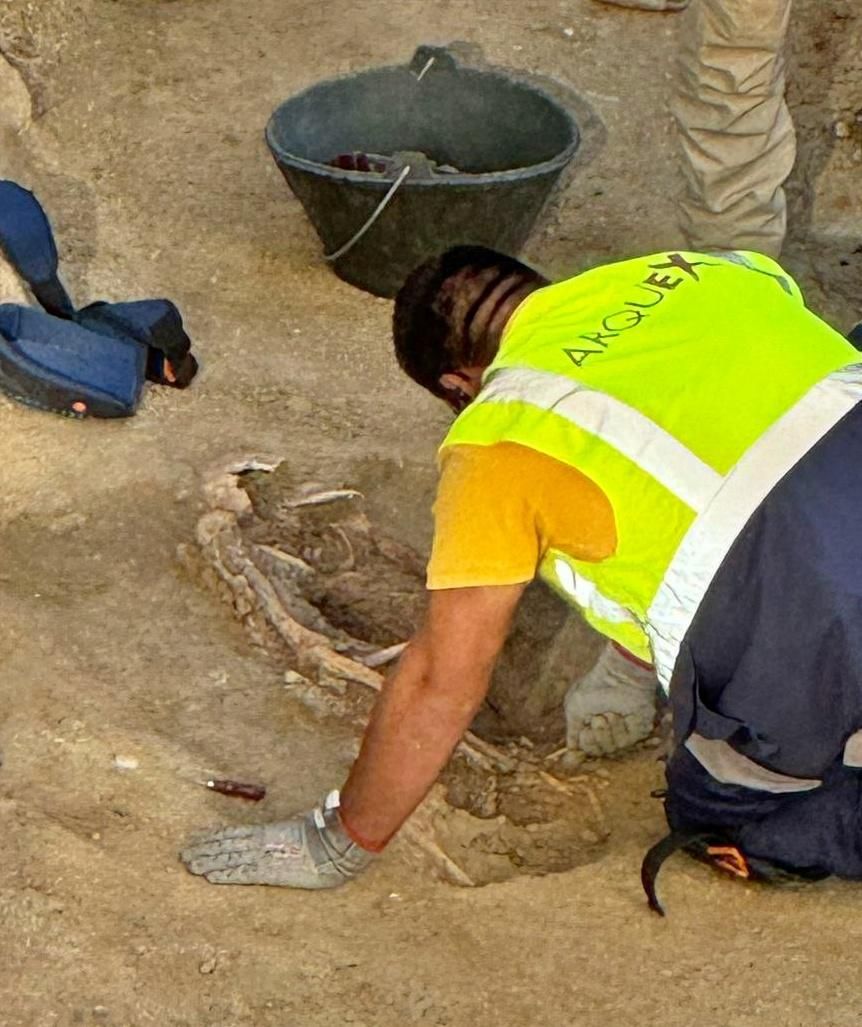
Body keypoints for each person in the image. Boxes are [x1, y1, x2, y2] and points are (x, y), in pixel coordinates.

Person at [182, 244, 862, 907]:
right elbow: (726, 457)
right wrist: (630, 661)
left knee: (727, 812)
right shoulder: (701, 268)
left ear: (457, 385)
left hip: (824, 614)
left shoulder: (497, 437)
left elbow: (440, 678)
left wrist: (340, 840)